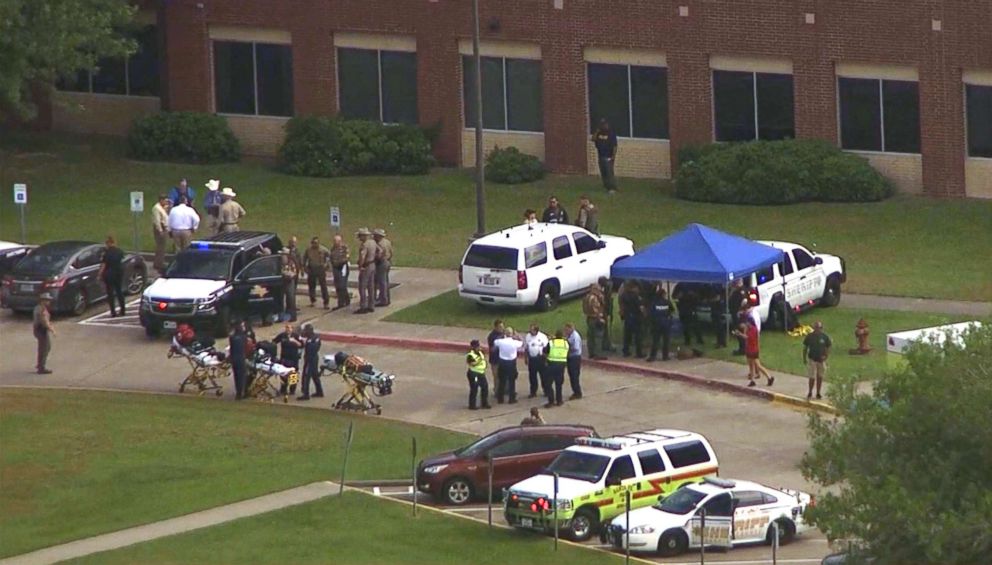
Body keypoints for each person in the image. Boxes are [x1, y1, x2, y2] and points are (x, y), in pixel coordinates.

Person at [493, 327, 523, 404]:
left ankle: (500, 398)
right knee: (512, 381)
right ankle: (511, 399)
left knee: (502, 381)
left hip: (502, 362)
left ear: (505, 334)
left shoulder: (500, 341)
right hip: (511, 363)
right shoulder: (515, 342)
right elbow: (521, 342)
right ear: (512, 334)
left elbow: (495, 342)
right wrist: (517, 335)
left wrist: (502, 335)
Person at [98, 236, 126, 317]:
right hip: (119, 273)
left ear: (108, 243)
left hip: (109, 274)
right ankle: (123, 310)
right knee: (119, 291)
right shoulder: (119, 251)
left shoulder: (106, 253)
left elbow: (104, 265)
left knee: (110, 293)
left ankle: (113, 312)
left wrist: (99, 275)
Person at [802, 321, 832, 400]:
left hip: (821, 360)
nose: (817, 329)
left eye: (819, 328)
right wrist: (804, 358)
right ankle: (810, 392)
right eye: (816, 328)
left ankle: (818, 392)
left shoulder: (824, 337)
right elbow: (805, 348)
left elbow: (828, 347)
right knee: (812, 377)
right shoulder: (810, 337)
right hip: (812, 359)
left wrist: (826, 356)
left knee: (820, 377)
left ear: (821, 328)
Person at [741, 318, 774, 387]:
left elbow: (748, 338)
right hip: (749, 349)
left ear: (750, 323)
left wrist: (740, 334)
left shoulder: (753, 330)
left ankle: (769, 377)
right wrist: (744, 331)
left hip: (753, 350)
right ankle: (752, 381)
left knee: (758, 365)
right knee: (751, 366)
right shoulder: (748, 329)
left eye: (747, 323)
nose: (746, 324)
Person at [647, 286, 674, 362]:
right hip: (666, 323)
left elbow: (650, 313)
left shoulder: (654, 303)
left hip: (656, 324)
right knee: (666, 340)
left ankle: (652, 356)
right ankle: (665, 356)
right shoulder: (667, 302)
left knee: (655, 340)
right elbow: (672, 310)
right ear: (663, 295)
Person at [303, 236, 331, 309]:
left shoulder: (323, 249)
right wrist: (304, 268)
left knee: (323, 286)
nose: (314, 244)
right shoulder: (308, 250)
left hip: (320, 268)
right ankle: (313, 300)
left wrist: (327, 264)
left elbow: (329, 256)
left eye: (316, 243)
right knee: (311, 285)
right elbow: (304, 258)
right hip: (311, 268)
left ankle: (326, 302)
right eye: (313, 243)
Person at [297, 324, 324, 400]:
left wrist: (306, 343)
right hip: (311, 357)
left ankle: (306, 394)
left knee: (306, 376)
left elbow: (312, 348)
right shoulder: (312, 337)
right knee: (314, 375)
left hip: (311, 358)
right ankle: (319, 391)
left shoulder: (313, 339)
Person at [274, 323, 302, 395]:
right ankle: (283, 389)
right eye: (287, 328)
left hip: (294, 358)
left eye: (289, 328)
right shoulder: (282, 335)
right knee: (283, 374)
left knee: (293, 374)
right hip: (284, 358)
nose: (288, 329)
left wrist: (294, 341)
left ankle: (292, 390)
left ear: (292, 329)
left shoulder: (296, 336)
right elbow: (274, 341)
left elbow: (301, 345)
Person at [543, 329, 569, 407]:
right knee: (559, 383)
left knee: (548, 383)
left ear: (555, 335)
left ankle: (551, 401)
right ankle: (559, 400)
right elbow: (568, 352)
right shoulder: (566, 343)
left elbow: (545, 351)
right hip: (561, 365)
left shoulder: (551, 343)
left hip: (552, 364)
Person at [523, 323, 549, 398]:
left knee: (544, 376)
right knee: (532, 376)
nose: (530, 331)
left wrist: (546, 359)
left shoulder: (543, 337)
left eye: (532, 330)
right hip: (532, 359)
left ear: (536, 330)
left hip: (541, 358)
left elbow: (547, 349)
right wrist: (526, 358)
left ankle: (546, 391)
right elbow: (526, 348)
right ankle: (533, 392)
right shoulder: (528, 336)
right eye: (530, 330)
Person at [592, 119, 618, 193]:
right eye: (602, 124)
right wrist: (597, 132)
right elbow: (593, 139)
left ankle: (612, 188)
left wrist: (613, 156)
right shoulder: (599, 133)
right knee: (603, 173)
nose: (604, 126)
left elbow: (615, 146)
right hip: (601, 156)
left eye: (605, 124)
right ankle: (607, 187)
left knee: (609, 172)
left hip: (608, 156)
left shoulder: (611, 134)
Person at [582, 283, 607, 360]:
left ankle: (591, 352)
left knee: (590, 336)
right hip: (596, 318)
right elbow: (596, 309)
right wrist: (600, 318)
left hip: (589, 318)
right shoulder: (594, 298)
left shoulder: (586, 297)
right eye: (597, 289)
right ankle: (597, 354)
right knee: (598, 337)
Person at [355, 227, 378, 314]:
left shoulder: (364, 245)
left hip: (366, 266)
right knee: (371, 286)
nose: (359, 238)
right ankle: (371, 305)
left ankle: (363, 306)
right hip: (373, 265)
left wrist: (361, 266)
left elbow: (362, 256)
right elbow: (380, 251)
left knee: (362, 287)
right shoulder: (373, 242)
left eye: (360, 236)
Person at [619, 282, 645, 358]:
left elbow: (622, 306)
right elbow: (640, 307)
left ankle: (625, 351)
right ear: (634, 287)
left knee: (627, 335)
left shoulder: (623, 295)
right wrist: (643, 314)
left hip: (628, 317)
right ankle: (639, 353)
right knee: (638, 335)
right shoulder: (636, 296)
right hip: (636, 317)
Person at [465, 339, 492, 410]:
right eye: (476, 346)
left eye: (478, 346)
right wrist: (479, 360)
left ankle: (484, 403)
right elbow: (472, 364)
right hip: (474, 374)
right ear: (473, 347)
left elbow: (484, 358)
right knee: (474, 388)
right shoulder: (470, 355)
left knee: (485, 387)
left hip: (481, 373)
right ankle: (472, 405)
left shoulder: (480, 352)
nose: (478, 347)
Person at [33, 293, 56, 374]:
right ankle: (41, 367)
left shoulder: (39, 308)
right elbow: (44, 321)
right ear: (43, 301)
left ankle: (40, 364)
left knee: (44, 347)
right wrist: (51, 329)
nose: (49, 301)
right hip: (41, 330)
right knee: (44, 348)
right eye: (47, 300)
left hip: (39, 330)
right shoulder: (41, 309)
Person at [329, 234, 351, 310]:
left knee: (342, 285)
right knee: (338, 286)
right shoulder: (333, 249)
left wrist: (339, 262)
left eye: (337, 241)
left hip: (343, 268)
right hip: (335, 269)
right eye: (334, 241)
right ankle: (344, 300)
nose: (335, 242)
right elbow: (331, 257)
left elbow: (347, 257)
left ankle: (342, 302)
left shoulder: (344, 248)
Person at [229, 320, 249, 400]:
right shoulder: (244, 337)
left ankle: (238, 392)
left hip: (234, 358)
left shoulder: (232, 337)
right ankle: (242, 392)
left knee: (236, 376)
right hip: (241, 358)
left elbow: (232, 349)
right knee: (242, 376)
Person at [373, 228, 393, 307]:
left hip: (381, 263)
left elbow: (379, 255)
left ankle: (383, 300)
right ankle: (387, 298)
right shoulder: (387, 242)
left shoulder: (379, 244)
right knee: (386, 281)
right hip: (387, 262)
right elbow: (391, 252)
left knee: (382, 282)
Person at [151, 194, 170, 272]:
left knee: (163, 246)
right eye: (165, 200)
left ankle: (160, 261)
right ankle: (158, 263)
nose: (166, 202)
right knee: (160, 246)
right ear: (161, 200)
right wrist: (160, 230)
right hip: (160, 228)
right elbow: (157, 220)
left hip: (164, 228)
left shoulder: (163, 207)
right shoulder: (156, 208)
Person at [564, 323, 583, 400]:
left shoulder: (575, 336)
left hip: (574, 358)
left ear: (571, 329)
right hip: (571, 357)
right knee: (571, 375)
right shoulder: (570, 336)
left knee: (574, 376)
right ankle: (575, 391)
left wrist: (567, 349)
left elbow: (576, 348)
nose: (565, 331)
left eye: (566, 330)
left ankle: (577, 393)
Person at [279, 249, 298, 322]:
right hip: (281, 282)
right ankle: (282, 316)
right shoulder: (280, 263)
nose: (282, 256)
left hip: (289, 282)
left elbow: (294, 272)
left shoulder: (291, 263)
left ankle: (293, 316)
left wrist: (288, 275)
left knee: (291, 299)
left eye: (283, 255)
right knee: (281, 299)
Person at [599, 276, 616, 352]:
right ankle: (606, 344)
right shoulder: (603, 292)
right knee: (605, 329)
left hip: (606, 311)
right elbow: (606, 302)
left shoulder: (606, 289)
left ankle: (606, 344)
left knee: (605, 329)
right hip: (604, 312)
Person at [486, 319, 504, 384]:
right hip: (495, 359)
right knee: (496, 376)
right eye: (500, 327)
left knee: (504, 376)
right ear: (496, 327)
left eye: (502, 326)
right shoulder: (492, 336)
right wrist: (498, 344)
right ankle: (496, 391)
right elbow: (492, 349)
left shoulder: (504, 334)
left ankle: (505, 390)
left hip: (503, 358)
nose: (502, 328)